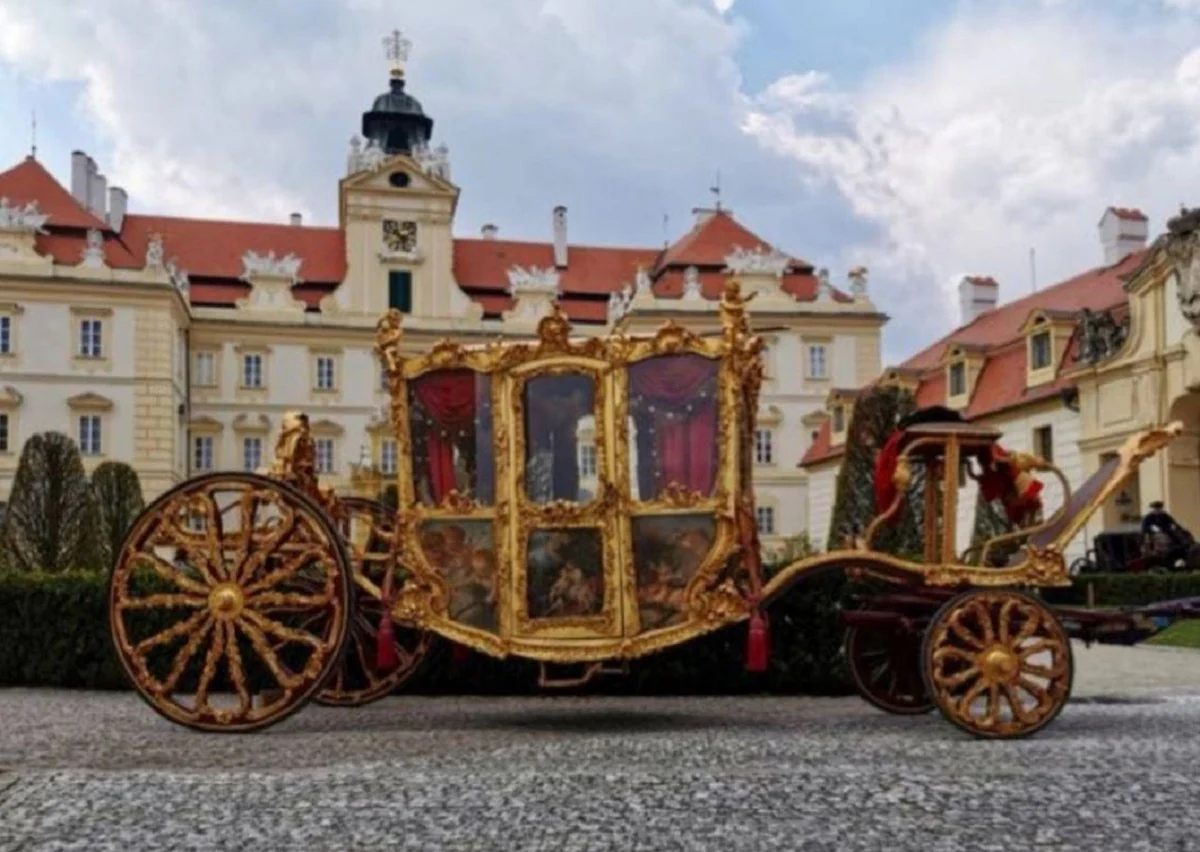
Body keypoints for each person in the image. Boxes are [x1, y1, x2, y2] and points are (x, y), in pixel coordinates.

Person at [1141, 501, 1193, 566]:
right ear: (1153, 509)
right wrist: (1151, 529)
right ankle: (1152, 551)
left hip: (1166, 531)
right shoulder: (1148, 517)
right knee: (1150, 540)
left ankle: (1178, 547)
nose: (1158, 510)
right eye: (1156, 509)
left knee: (1175, 536)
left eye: (1159, 508)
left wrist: (1178, 527)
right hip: (1152, 533)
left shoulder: (1164, 515)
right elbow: (1144, 528)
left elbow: (1173, 523)